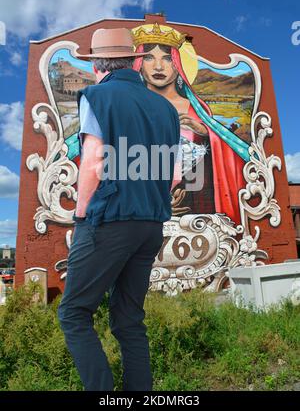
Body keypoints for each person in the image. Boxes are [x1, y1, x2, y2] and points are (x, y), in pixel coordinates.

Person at [57, 27, 180, 391]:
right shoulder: (166, 108)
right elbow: (172, 173)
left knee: (74, 314)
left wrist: (81, 216)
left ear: (98, 64)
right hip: (150, 226)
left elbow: (94, 163)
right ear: (134, 62)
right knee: (129, 320)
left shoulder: (98, 96)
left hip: (109, 221)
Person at [132, 23, 250, 225]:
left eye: (167, 58)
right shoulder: (130, 107)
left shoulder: (197, 110)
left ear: (177, 65)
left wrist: (206, 133)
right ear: (138, 64)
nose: (158, 66)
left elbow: (226, 160)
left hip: (194, 205)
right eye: (149, 57)